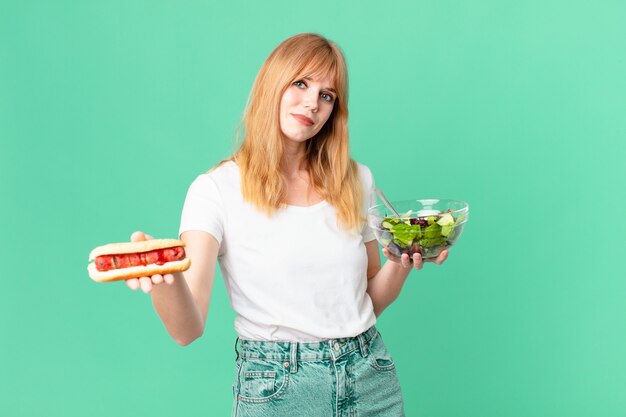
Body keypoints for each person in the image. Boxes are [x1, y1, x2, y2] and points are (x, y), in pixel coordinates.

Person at [126, 33, 448, 417]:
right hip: (277, 388)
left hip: (369, 375)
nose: (312, 103)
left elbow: (366, 303)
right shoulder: (215, 189)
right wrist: (165, 277)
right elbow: (186, 330)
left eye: (327, 95)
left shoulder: (356, 180)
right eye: (300, 83)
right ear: (272, 85)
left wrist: (401, 258)